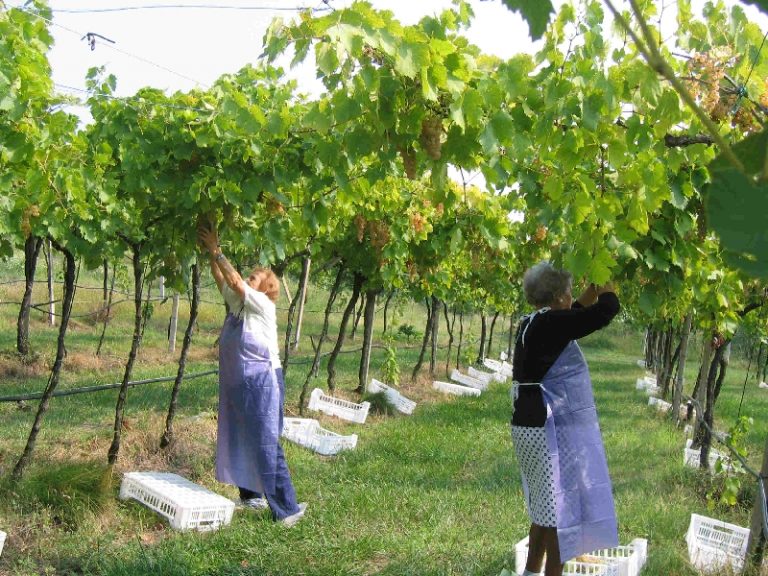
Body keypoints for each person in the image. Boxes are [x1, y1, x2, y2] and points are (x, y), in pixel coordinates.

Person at [511, 261, 620, 576]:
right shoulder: (552, 325)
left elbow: (573, 312)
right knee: (560, 513)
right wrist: (608, 283)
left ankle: (531, 572)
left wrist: (591, 288)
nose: (572, 296)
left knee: (544, 511)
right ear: (558, 295)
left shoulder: (534, 321)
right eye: (568, 292)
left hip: (529, 423)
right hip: (545, 427)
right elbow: (603, 312)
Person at [198, 223, 306, 527]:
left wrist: (217, 250)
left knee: (266, 441)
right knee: (243, 436)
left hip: (262, 380)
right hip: (242, 381)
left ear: (265, 288)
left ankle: (287, 509)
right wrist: (209, 252)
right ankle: (251, 496)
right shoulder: (239, 305)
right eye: (249, 276)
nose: (247, 278)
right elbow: (221, 278)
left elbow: (231, 279)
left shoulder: (261, 304)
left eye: (254, 278)